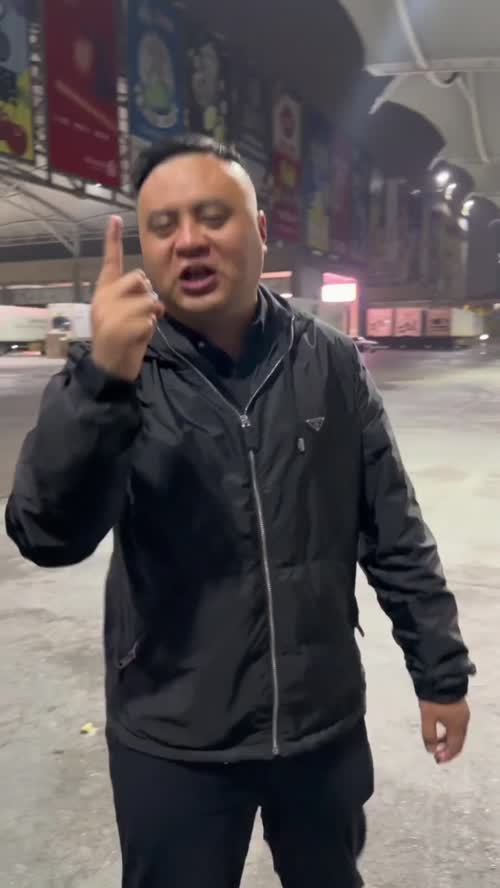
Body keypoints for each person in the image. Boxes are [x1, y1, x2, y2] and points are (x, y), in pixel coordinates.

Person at [5, 134, 475, 888]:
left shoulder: (328, 363)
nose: (189, 239)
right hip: (174, 739)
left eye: (213, 215)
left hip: (319, 726)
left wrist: (440, 673)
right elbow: (46, 535)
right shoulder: (116, 377)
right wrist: (101, 384)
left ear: (258, 231)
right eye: (163, 225)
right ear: (146, 249)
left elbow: (393, 530)